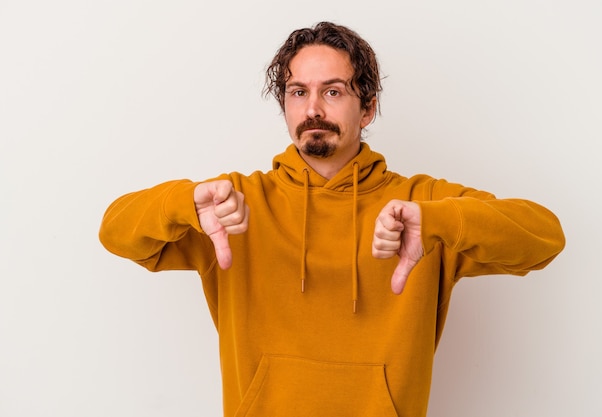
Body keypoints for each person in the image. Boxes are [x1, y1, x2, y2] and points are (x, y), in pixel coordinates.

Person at [99, 21, 565, 417]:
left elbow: (545, 236)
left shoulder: (418, 206)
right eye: (298, 92)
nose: (313, 109)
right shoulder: (233, 206)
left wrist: (440, 221)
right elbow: (115, 231)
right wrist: (183, 204)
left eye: (333, 91)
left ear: (368, 109)